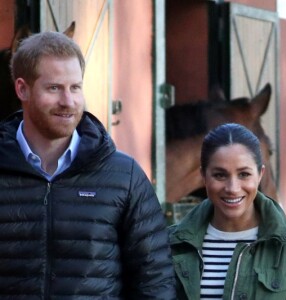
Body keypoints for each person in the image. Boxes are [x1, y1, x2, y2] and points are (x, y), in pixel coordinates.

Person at [0, 31, 175, 299]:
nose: (68, 102)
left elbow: (154, 281)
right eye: (54, 88)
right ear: (22, 89)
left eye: (75, 87)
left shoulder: (124, 177)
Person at [169, 123, 286, 299]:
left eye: (244, 174)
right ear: (203, 176)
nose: (232, 188)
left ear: (260, 174)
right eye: (220, 175)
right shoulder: (170, 245)